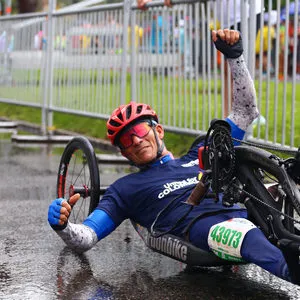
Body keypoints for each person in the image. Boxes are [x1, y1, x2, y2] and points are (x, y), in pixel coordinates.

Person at [48, 29, 300, 285]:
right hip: (204, 225)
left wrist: (235, 57)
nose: (135, 140)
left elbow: (245, 111)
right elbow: (87, 236)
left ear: (158, 130)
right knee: (245, 235)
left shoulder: (199, 152)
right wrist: (64, 225)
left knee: (283, 171)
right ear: (123, 153)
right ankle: (292, 269)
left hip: (243, 204)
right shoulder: (125, 189)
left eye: (138, 130)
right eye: (125, 140)